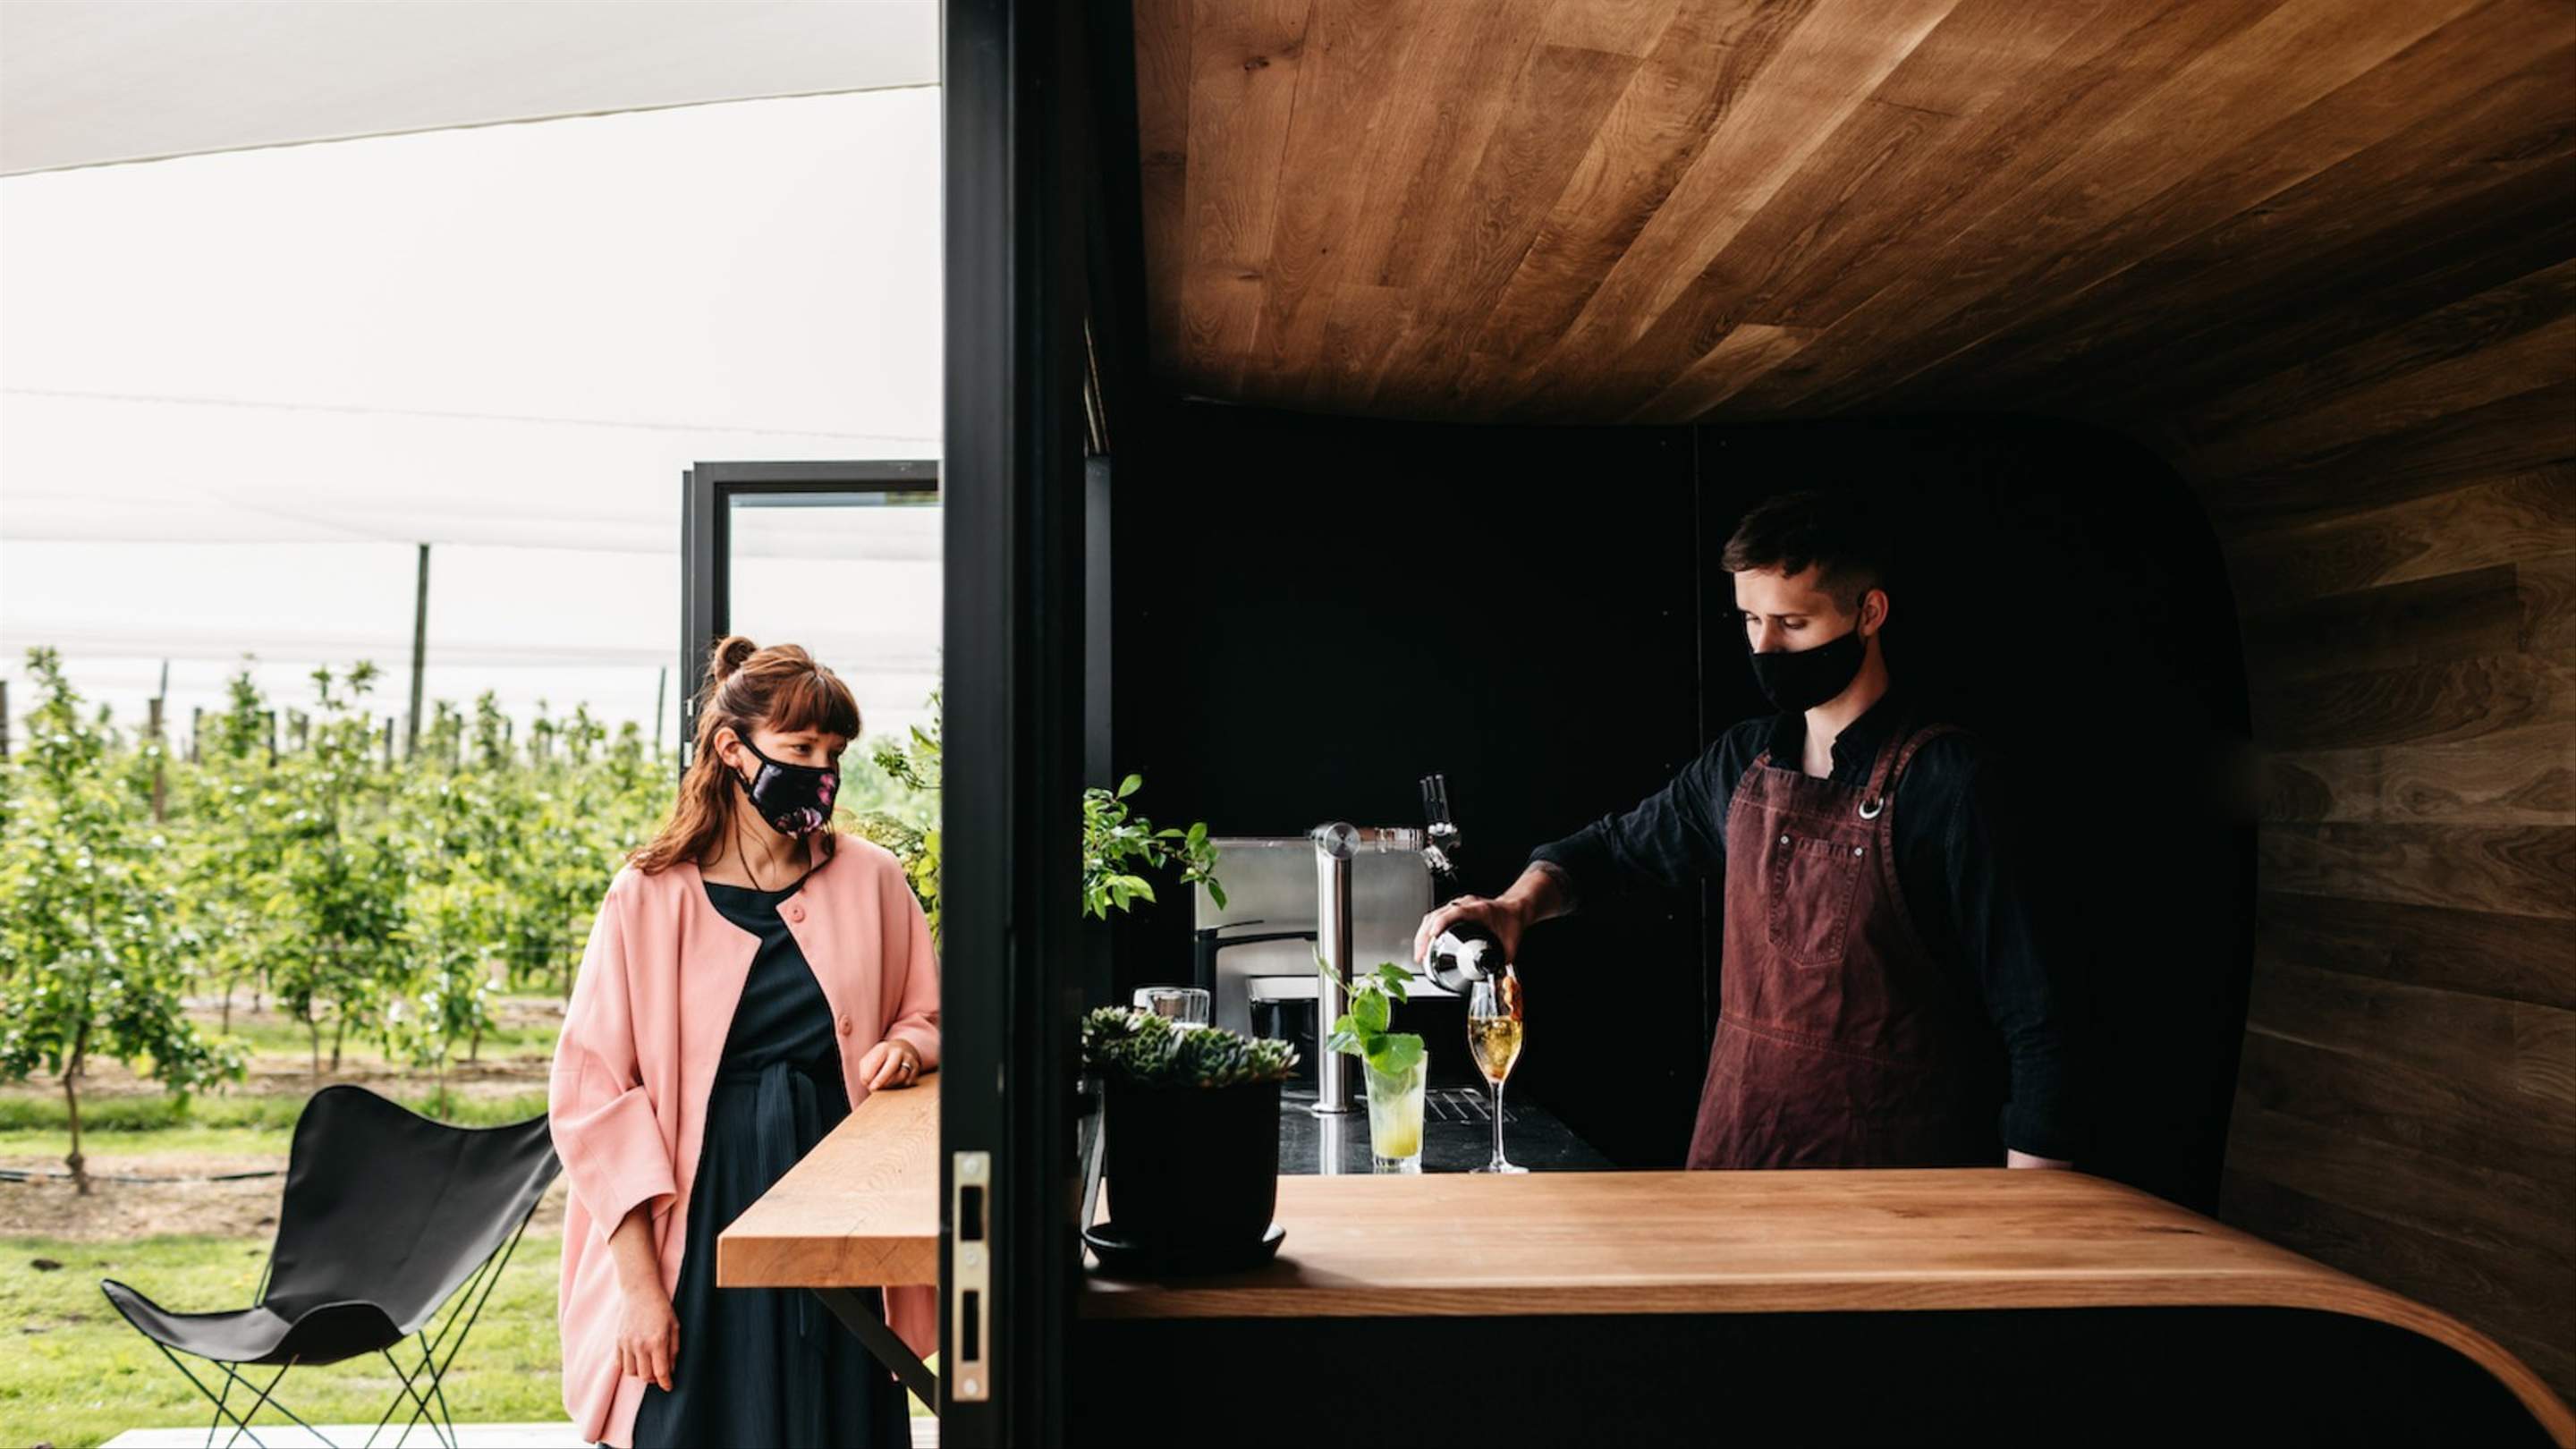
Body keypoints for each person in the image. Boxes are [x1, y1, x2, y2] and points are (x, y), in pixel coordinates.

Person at [1413, 491, 2081, 1171]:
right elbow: (1610, 853)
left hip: (1895, 1182)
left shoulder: (1954, 784)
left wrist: (2035, 1207)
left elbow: (2042, 1022)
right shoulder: (1743, 762)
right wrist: (1514, 906)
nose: (1764, 646)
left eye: (1792, 622)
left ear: (1869, 613)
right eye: (1750, 620)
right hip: (1738, 1158)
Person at [550, 636, 939, 1449]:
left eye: (833, 752)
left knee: (839, 1417)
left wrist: (909, 1046)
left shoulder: (873, 878)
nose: (821, 770)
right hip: (700, 1206)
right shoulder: (646, 897)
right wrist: (640, 1289)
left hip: (844, 1201)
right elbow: (594, 1103)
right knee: (693, 1414)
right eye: (800, 749)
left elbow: (931, 1015)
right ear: (733, 749)